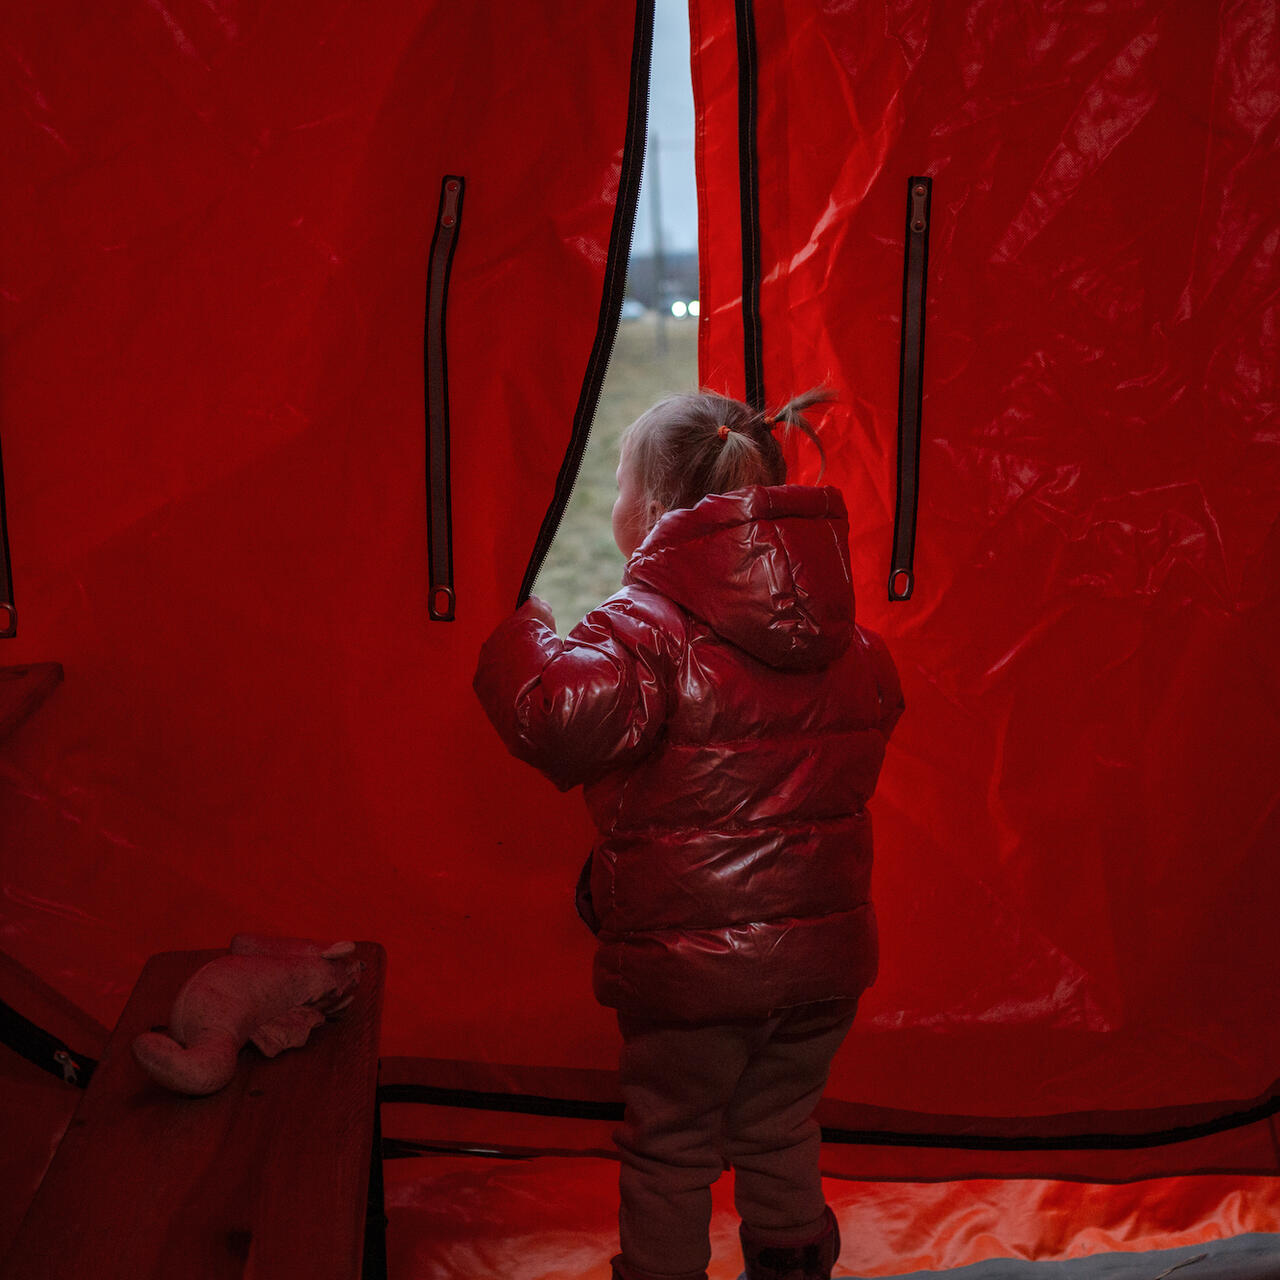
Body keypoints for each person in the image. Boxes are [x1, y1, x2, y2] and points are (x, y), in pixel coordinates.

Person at [473, 389, 904, 1280]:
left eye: (623, 484)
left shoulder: (647, 633)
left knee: (672, 1147)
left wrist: (526, 626)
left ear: (654, 510)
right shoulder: (851, 642)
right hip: (822, 968)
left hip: (694, 975)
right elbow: (877, 715)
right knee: (781, 1127)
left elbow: (555, 717)